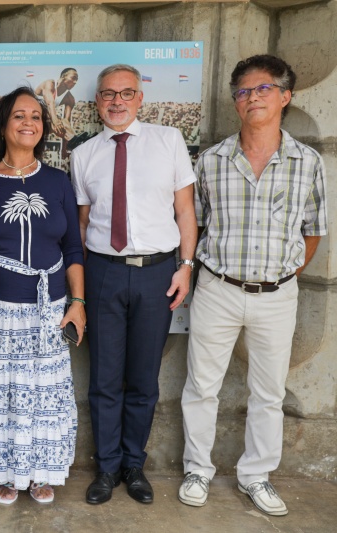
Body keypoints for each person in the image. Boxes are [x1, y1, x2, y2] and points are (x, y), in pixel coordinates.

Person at [178, 55, 327, 516]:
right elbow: (195, 223)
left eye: (263, 89)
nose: (252, 98)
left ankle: (256, 475)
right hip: (217, 289)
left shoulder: (307, 162)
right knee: (201, 386)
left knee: (269, 392)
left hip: (277, 295)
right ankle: (197, 469)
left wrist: (286, 275)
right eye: (243, 91)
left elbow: (314, 229)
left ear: (285, 97)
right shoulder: (211, 161)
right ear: (235, 102)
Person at [71, 64, 197, 505]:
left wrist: (185, 266)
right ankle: (106, 468)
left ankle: (133, 466)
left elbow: (185, 211)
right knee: (104, 378)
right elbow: (83, 225)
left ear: (140, 98)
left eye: (126, 93)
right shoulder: (83, 154)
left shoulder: (169, 141)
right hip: (103, 271)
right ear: (97, 101)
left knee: (144, 378)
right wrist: (81, 287)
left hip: (157, 273)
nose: (117, 101)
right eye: (108, 94)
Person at [0, 86, 85, 506]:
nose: (28, 122)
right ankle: (5, 474)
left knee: (41, 394)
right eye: (19, 115)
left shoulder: (57, 181)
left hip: (47, 312)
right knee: (1, 395)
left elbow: (73, 249)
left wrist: (78, 303)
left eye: (36, 116)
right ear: (2, 126)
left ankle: (39, 473)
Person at [35, 68, 78, 139]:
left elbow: (66, 121)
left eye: (76, 80)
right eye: (73, 78)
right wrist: (55, 121)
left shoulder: (70, 98)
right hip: (30, 118)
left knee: (63, 124)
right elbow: (50, 103)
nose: (75, 82)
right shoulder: (49, 84)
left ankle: (76, 141)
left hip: (43, 122)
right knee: (55, 121)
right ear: (63, 76)